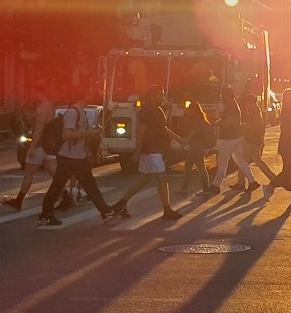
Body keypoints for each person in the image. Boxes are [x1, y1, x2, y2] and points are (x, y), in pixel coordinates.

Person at [37, 93, 114, 228]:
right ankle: (106, 211)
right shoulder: (73, 112)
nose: (91, 96)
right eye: (88, 93)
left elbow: (79, 134)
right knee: (86, 185)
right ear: (84, 95)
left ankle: (45, 215)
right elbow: (68, 134)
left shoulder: (80, 112)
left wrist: (91, 135)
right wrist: (89, 133)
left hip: (76, 155)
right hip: (69, 157)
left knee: (62, 186)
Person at [112, 88, 182, 222]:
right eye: (160, 95)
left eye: (163, 95)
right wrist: (137, 151)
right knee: (162, 178)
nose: (163, 97)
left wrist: (179, 139)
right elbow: (140, 131)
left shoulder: (157, 110)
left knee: (144, 179)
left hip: (153, 150)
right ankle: (167, 210)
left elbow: (164, 129)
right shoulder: (147, 111)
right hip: (151, 150)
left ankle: (121, 204)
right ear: (152, 96)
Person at [0, 90, 56, 211]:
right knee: (55, 174)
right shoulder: (50, 105)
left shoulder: (41, 109)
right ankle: (67, 196)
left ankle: (19, 200)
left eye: (33, 93)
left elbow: (39, 129)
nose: (32, 96)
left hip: (40, 145)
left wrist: (32, 147)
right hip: (48, 145)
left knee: (28, 174)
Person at [210, 86, 257, 196]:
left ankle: (216, 185)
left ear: (226, 95)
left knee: (222, 161)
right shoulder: (234, 104)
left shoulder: (230, 106)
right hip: (237, 137)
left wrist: (215, 124)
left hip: (230, 138)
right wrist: (216, 122)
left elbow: (227, 123)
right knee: (240, 161)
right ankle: (252, 181)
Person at [241, 92, 278, 196]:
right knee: (257, 161)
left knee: (243, 162)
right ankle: (273, 178)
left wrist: (241, 126)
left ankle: (243, 182)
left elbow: (250, 126)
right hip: (255, 140)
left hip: (251, 140)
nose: (246, 105)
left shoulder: (254, 112)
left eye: (247, 103)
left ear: (251, 103)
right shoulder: (256, 111)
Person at [180, 98, 215, 197]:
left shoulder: (194, 120)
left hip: (197, 147)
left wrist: (183, 145)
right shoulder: (202, 119)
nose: (187, 111)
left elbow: (192, 134)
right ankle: (184, 189)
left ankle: (206, 189)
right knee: (188, 166)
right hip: (200, 146)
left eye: (189, 109)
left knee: (201, 168)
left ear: (192, 110)